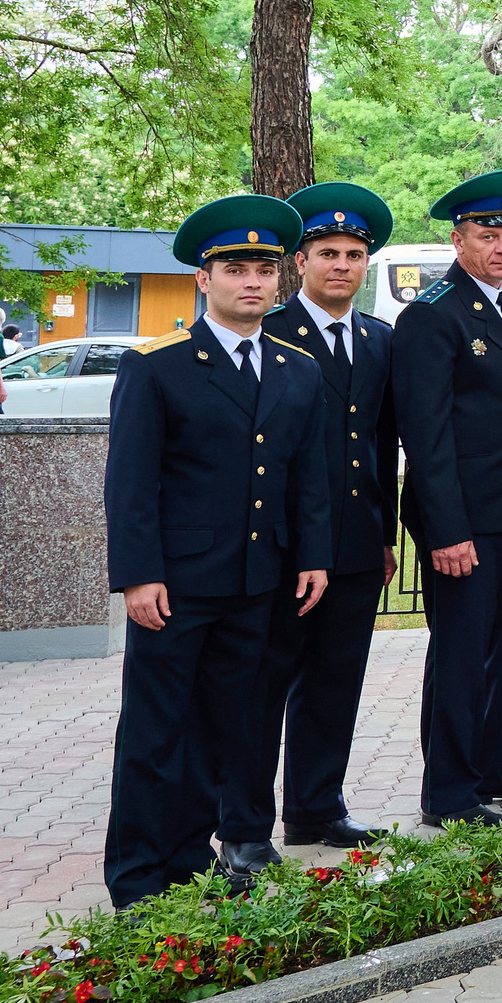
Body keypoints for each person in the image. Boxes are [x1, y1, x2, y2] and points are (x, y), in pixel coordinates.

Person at [102, 196, 330, 906]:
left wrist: (313, 553)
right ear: (205, 279)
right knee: (155, 730)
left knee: (224, 727)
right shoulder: (159, 366)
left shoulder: (297, 368)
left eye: (263, 268)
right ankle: (140, 877)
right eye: (235, 268)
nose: (251, 282)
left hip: (257, 580)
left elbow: (308, 474)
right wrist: (139, 575)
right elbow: (131, 482)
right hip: (177, 583)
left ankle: (193, 863)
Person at [224, 183, 397, 858]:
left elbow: (380, 441)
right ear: (301, 261)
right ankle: (243, 826)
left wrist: (383, 534)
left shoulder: (377, 339)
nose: (342, 265)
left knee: (335, 684)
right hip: (284, 546)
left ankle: (315, 807)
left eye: (355, 254)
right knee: (263, 689)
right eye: (328, 252)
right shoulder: (269, 331)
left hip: (353, 545)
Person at [394, 170, 502, 827]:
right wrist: (446, 528)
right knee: (463, 652)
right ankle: (449, 792)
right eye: (487, 234)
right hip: (463, 519)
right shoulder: (432, 314)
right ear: (458, 238)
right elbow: (427, 434)